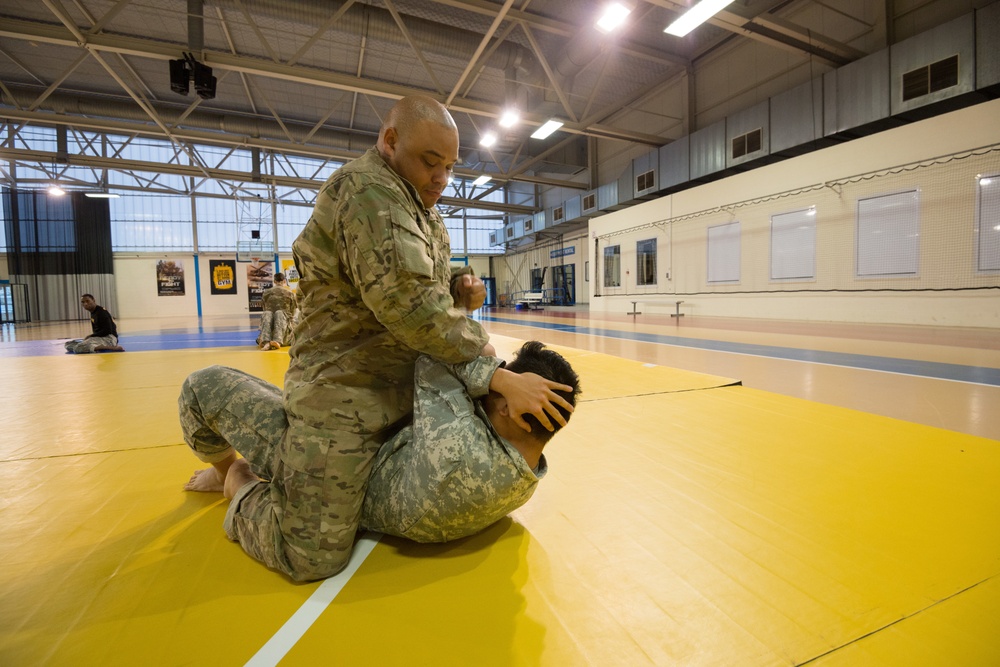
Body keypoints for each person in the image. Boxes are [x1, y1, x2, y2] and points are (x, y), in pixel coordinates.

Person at [180, 95, 567, 581]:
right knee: (312, 557)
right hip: (344, 395)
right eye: (431, 163)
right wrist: (493, 372)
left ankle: (290, 461)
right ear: (390, 141)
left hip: (402, 392)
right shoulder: (369, 192)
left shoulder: (424, 210)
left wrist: (459, 288)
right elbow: (410, 310)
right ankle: (235, 476)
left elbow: (420, 285)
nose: (441, 179)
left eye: (448, 167)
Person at [180, 341, 579, 545]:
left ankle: (229, 476)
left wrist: (500, 375)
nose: (498, 378)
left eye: (505, 383)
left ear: (512, 409)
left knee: (205, 384)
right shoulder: (524, 468)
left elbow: (434, 358)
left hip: (336, 464)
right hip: (385, 457)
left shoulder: (459, 450)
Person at [255, 272, 297, 350]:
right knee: (280, 313)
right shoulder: (290, 293)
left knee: (268, 313)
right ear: (284, 281)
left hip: (268, 331)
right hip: (284, 332)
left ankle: (266, 341)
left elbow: (264, 308)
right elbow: (292, 312)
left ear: (274, 281)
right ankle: (277, 341)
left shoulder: (266, 293)